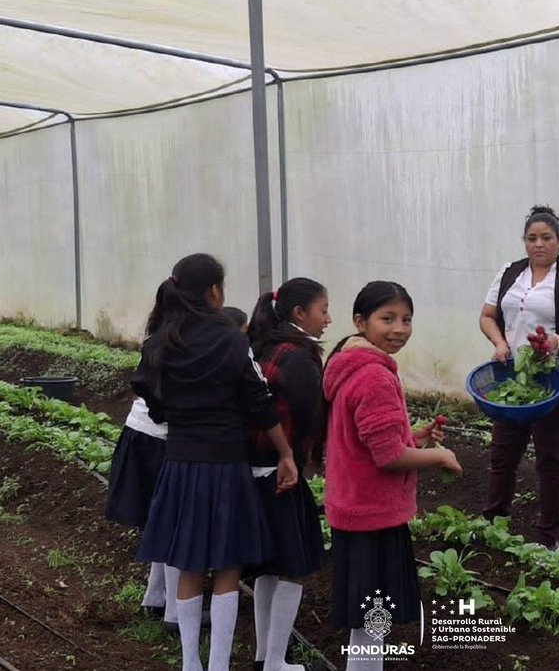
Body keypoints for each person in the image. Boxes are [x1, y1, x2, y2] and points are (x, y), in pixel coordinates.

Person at [132, 253, 299, 671]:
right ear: (214, 291)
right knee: (228, 563)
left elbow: (153, 404)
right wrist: (285, 453)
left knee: (188, 562)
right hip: (227, 463)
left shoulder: (159, 342)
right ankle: (219, 664)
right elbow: (259, 404)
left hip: (182, 462)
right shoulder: (231, 340)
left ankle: (191, 663)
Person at [322, 281, 462, 671]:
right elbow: (388, 458)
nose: (400, 328)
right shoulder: (376, 376)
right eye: (388, 319)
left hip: (353, 506)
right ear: (360, 321)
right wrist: (439, 455)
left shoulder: (351, 366)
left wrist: (413, 437)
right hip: (372, 512)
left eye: (406, 319)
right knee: (372, 615)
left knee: (368, 615)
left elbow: (367, 441)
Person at [478, 204, 559, 549]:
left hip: (553, 382)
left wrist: (555, 342)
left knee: (550, 459)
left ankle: (549, 538)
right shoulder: (509, 274)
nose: (539, 244)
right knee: (502, 455)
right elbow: (487, 316)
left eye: (546, 238)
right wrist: (500, 342)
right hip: (514, 382)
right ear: (524, 241)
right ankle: (493, 523)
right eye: (532, 238)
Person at [245, 278, 332, 671]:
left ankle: (266, 655)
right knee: (294, 566)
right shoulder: (297, 355)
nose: (327, 319)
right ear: (300, 313)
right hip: (282, 470)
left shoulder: (262, 344)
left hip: (252, 467)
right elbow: (310, 410)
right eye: (323, 310)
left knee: (268, 565)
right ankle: (276, 660)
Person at [104, 396, 181, 633]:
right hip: (163, 436)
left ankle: (156, 595)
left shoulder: (159, 356)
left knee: (161, 517)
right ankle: (176, 613)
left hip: (141, 428)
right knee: (174, 519)